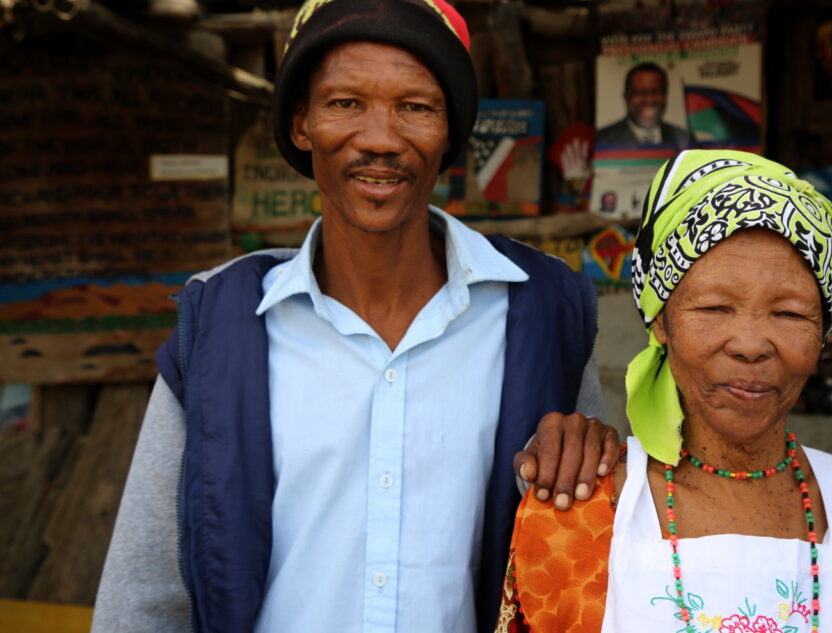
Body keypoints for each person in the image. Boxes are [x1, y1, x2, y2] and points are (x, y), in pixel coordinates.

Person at [91, 2, 620, 632]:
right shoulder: (221, 325)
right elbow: (143, 598)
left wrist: (598, 454)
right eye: (345, 103)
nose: (380, 138)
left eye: (416, 107)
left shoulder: (542, 311)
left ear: (449, 130)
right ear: (300, 123)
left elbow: (589, 559)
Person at [496, 150, 832, 633]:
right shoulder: (574, 515)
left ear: (822, 332)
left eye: (790, 314)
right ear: (660, 322)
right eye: (714, 308)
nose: (751, 346)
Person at [596, 63, 690, 148]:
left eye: (657, 92)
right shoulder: (603, 139)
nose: (650, 100)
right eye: (641, 93)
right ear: (626, 97)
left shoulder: (684, 138)